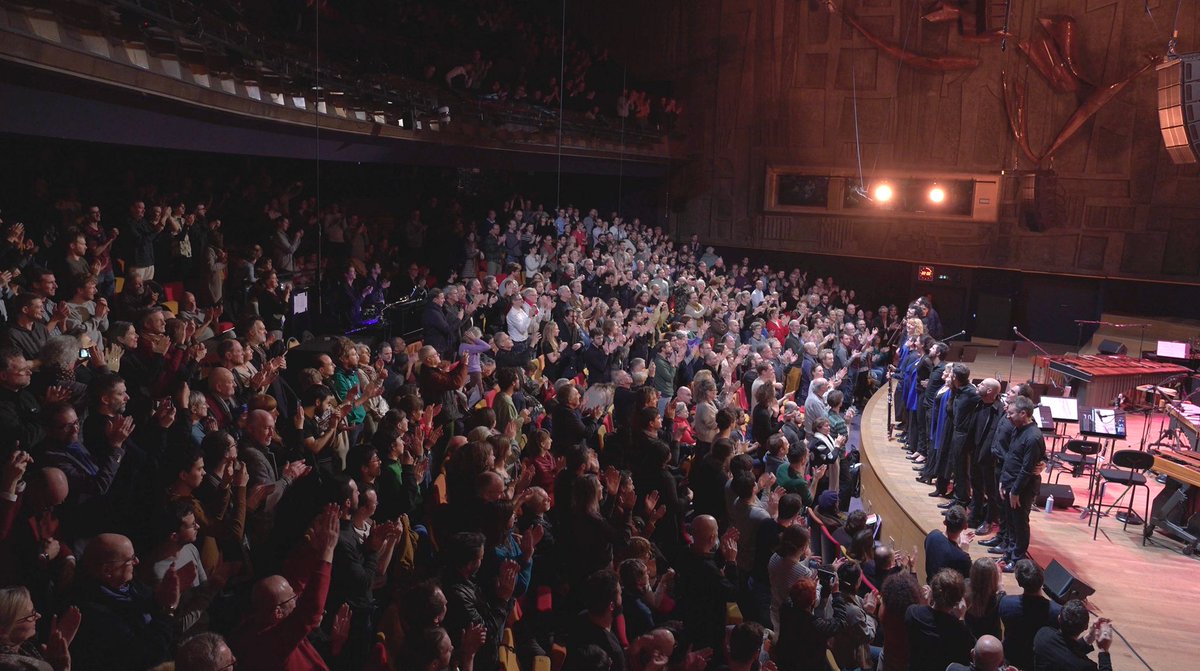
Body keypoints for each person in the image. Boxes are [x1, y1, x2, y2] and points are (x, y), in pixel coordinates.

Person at [997, 396, 1045, 572]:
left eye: (1011, 413)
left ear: (1023, 413)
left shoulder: (1033, 437)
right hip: (1010, 483)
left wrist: (1015, 491)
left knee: (1019, 523)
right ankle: (1009, 552)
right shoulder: (1018, 429)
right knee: (1010, 521)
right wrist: (1003, 480)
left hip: (1022, 489)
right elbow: (1010, 457)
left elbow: (1027, 468)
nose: (1008, 416)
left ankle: (1017, 558)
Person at [904, 568, 975, 671]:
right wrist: (961, 618)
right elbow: (969, 651)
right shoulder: (960, 630)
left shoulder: (913, 612)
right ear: (958, 601)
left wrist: (925, 603)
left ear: (932, 592)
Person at [998, 559, 1062, 670]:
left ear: (1019, 582)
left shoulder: (1006, 602)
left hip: (1011, 658)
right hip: (1038, 662)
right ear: (1042, 580)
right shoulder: (1057, 611)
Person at [1032, 599, 1113, 671]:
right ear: (1086, 627)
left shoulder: (1043, 635)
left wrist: (1090, 637)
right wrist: (1103, 650)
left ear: (1059, 618)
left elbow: (1065, 650)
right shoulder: (1085, 667)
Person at [924, 504, 973, 583]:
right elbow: (968, 580)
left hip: (931, 585)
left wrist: (957, 546)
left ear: (944, 522)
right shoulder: (962, 557)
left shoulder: (932, 536)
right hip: (948, 594)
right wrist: (964, 551)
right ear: (965, 527)